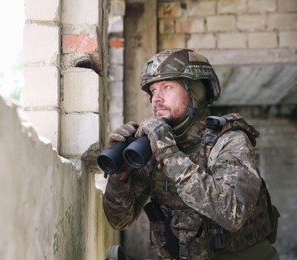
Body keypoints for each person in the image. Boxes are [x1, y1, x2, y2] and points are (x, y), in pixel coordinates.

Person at [102, 48, 279, 260]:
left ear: (196, 91)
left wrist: (169, 154)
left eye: (167, 87)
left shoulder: (229, 141)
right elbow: (120, 220)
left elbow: (234, 213)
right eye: (153, 91)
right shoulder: (154, 147)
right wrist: (119, 177)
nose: (156, 99)